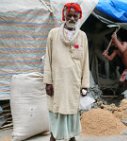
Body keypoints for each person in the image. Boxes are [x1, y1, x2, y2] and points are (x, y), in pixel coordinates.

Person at [43, 3, 89, 141]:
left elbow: (85, 61)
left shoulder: (82, 36)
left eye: (75, 16)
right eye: (69, 15)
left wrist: (84, 84)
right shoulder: (53, 34)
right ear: (64, 16)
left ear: (79, 17)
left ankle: (71, 137)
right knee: (56, 111)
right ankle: (54, 137)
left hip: (74, 83)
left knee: (72, 111)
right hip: (57, 82)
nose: (72, 18)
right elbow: (48, 58)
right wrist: (48, 82)